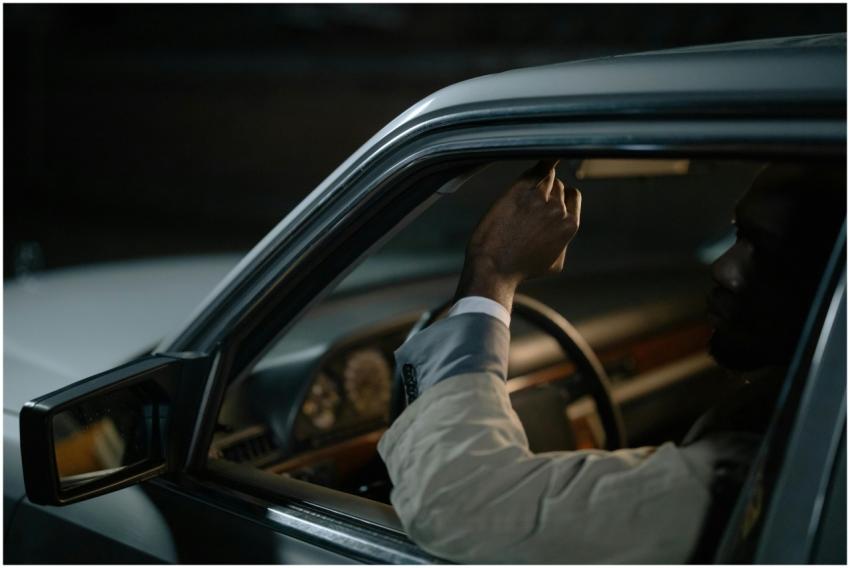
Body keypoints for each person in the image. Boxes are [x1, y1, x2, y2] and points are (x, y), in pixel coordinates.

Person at [377, 159, 845, 563]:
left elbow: (460, 502)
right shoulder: (809, 426)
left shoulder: (766, 476)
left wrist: (492, 272)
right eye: (739, 235)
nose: (723, 267)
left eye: (768, 252)